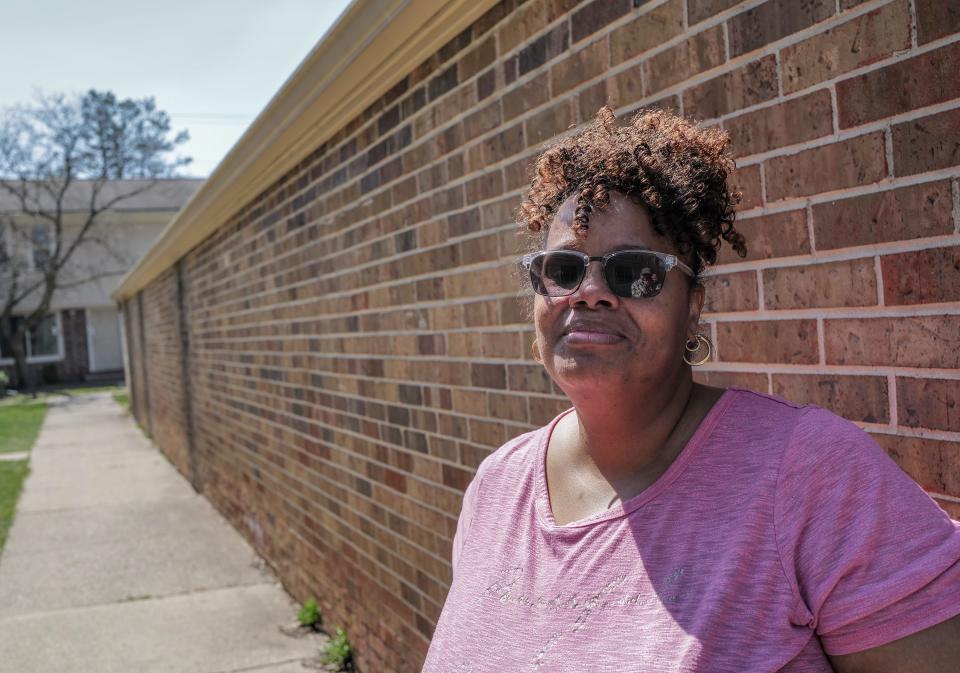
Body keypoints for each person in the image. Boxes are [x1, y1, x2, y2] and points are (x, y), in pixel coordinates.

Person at [420, 108, 960, 672]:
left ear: (693, 307)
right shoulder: (497, 487)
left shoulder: (809, 474)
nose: (591, 292)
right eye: (564, 269)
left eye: (635, 271)